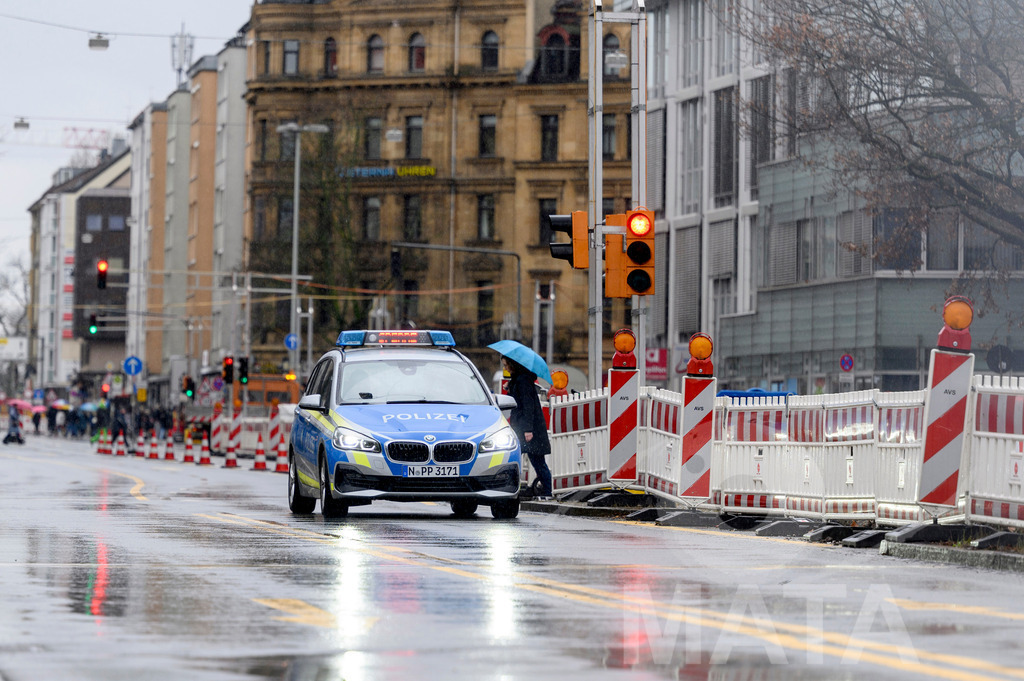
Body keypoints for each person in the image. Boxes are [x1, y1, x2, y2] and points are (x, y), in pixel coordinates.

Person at [503, 356, 553, 499]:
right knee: (534, 460)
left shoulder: (523, 381)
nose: (505, 368)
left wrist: (528, 430)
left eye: (506, 365)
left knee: (536, 460)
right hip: (525, 427)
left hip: (529, 429)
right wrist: (510, 387)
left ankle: (548, 491)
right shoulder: (520, 380)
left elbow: (527, 406)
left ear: (513, 365)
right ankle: (545, 490)